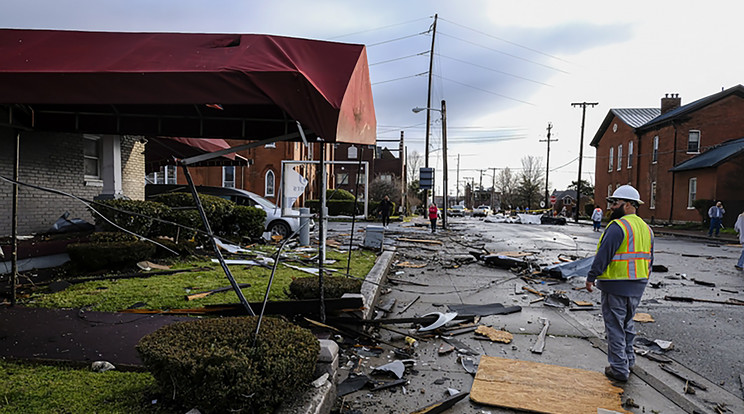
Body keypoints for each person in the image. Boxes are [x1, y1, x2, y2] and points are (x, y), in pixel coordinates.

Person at [586, 185, 653, 383]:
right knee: (627, 324)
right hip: (637, 285)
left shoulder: (619, 227)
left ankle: (619, 369)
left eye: (615, 203)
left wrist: (591, 277)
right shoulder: (646, 228)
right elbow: (650, 259)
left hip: (615, 284)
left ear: (629, 205)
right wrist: (642, 280)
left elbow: (603, 255)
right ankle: (629, 361)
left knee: (614, 327)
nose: (611, 207)